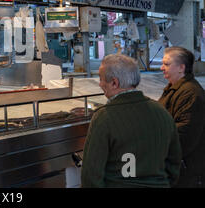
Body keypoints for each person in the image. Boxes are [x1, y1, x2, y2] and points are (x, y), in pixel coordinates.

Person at [81, 54, 181, 188]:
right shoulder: (162, 112)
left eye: (101, 79)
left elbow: (91, 175)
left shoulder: (104, 117)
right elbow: (174, 162)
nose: (100, 84)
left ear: (114, 83)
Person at [159, 46, 205, 187]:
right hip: (175, 169)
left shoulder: (191, 94)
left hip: (187, 174)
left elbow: (183, 137)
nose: (161, 68)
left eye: (166, 64)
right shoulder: (173, 89)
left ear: (181, 68)